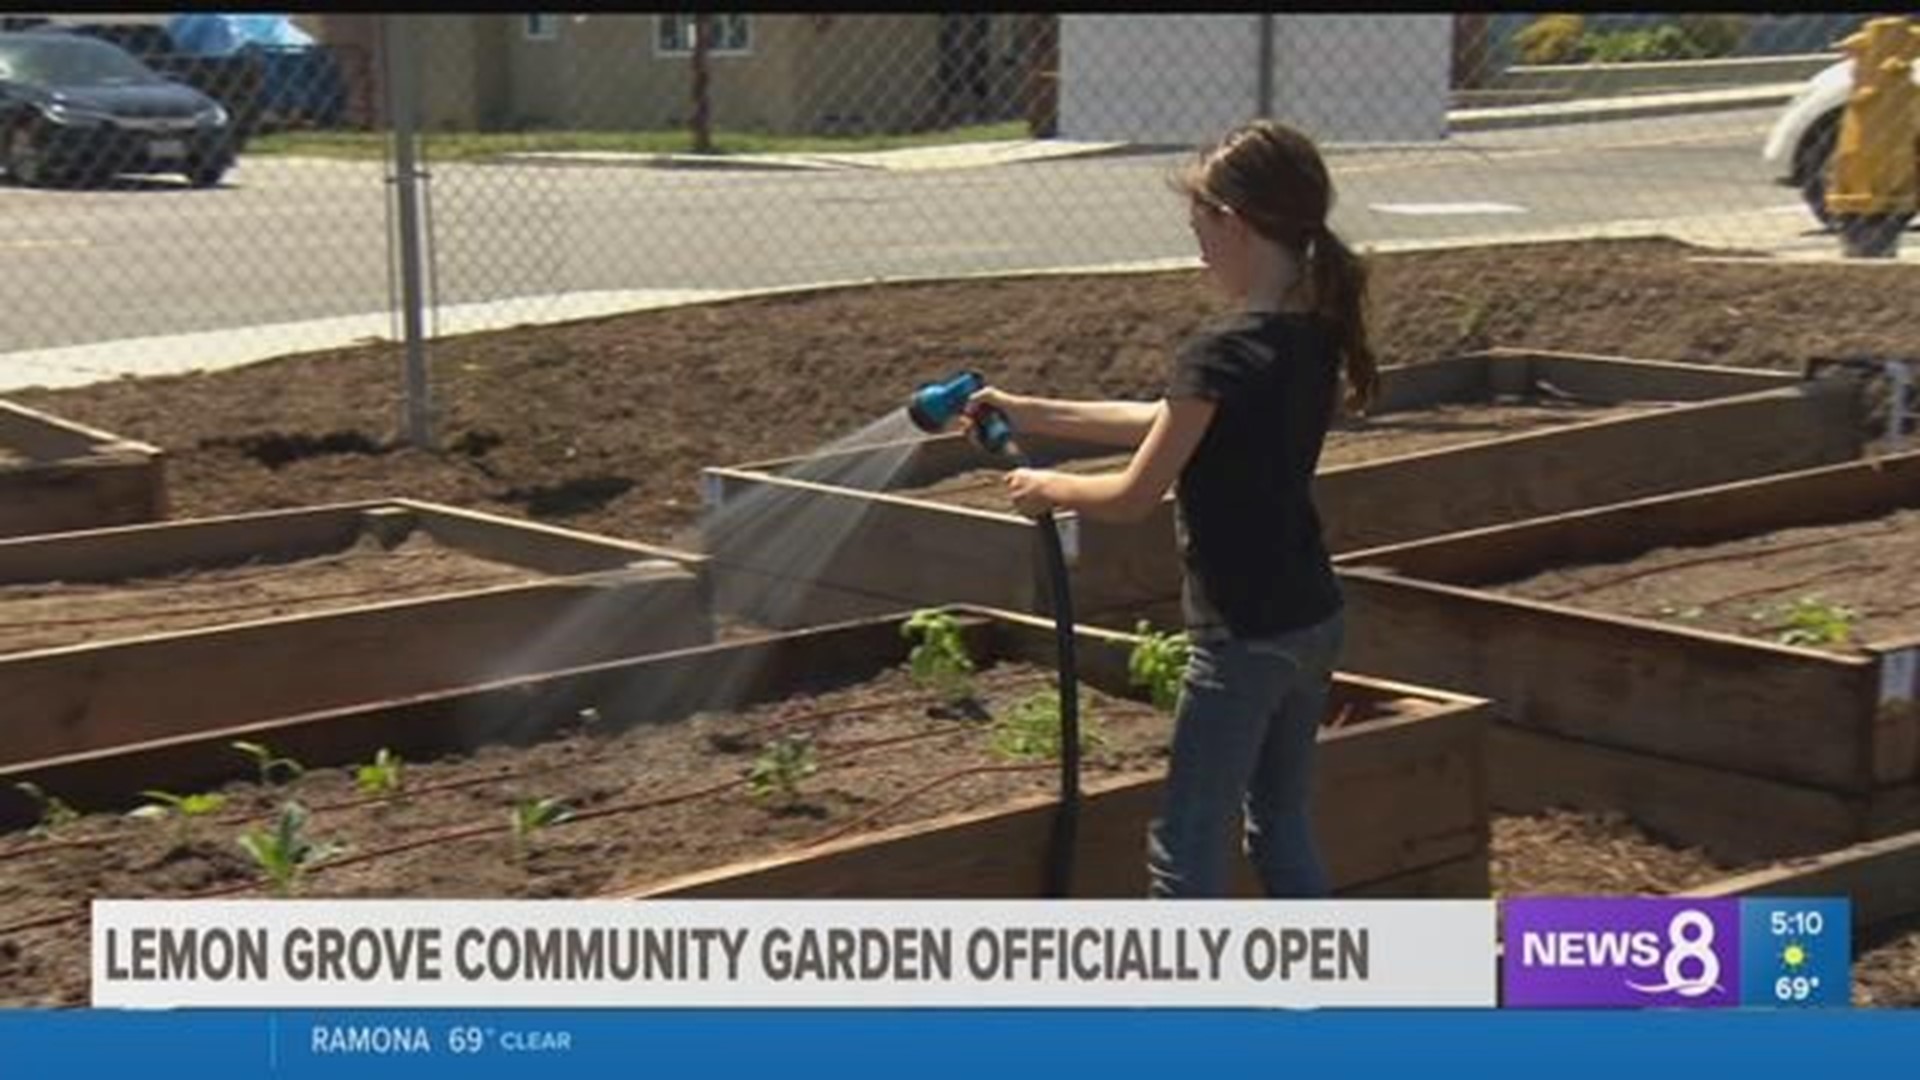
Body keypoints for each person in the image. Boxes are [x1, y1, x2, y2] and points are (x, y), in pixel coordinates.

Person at [962, 119, 1379, 898]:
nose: (1197, 252)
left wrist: (1046, 488)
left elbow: (1131, 496)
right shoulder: (1309, 336)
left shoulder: (1219, 350)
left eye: (1201, 231)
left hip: (1242, 637)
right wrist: (1029, 410)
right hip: (1312, 618)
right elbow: (1173, 420)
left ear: (1237, 222)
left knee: (1185, 848)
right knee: (1279, 825)